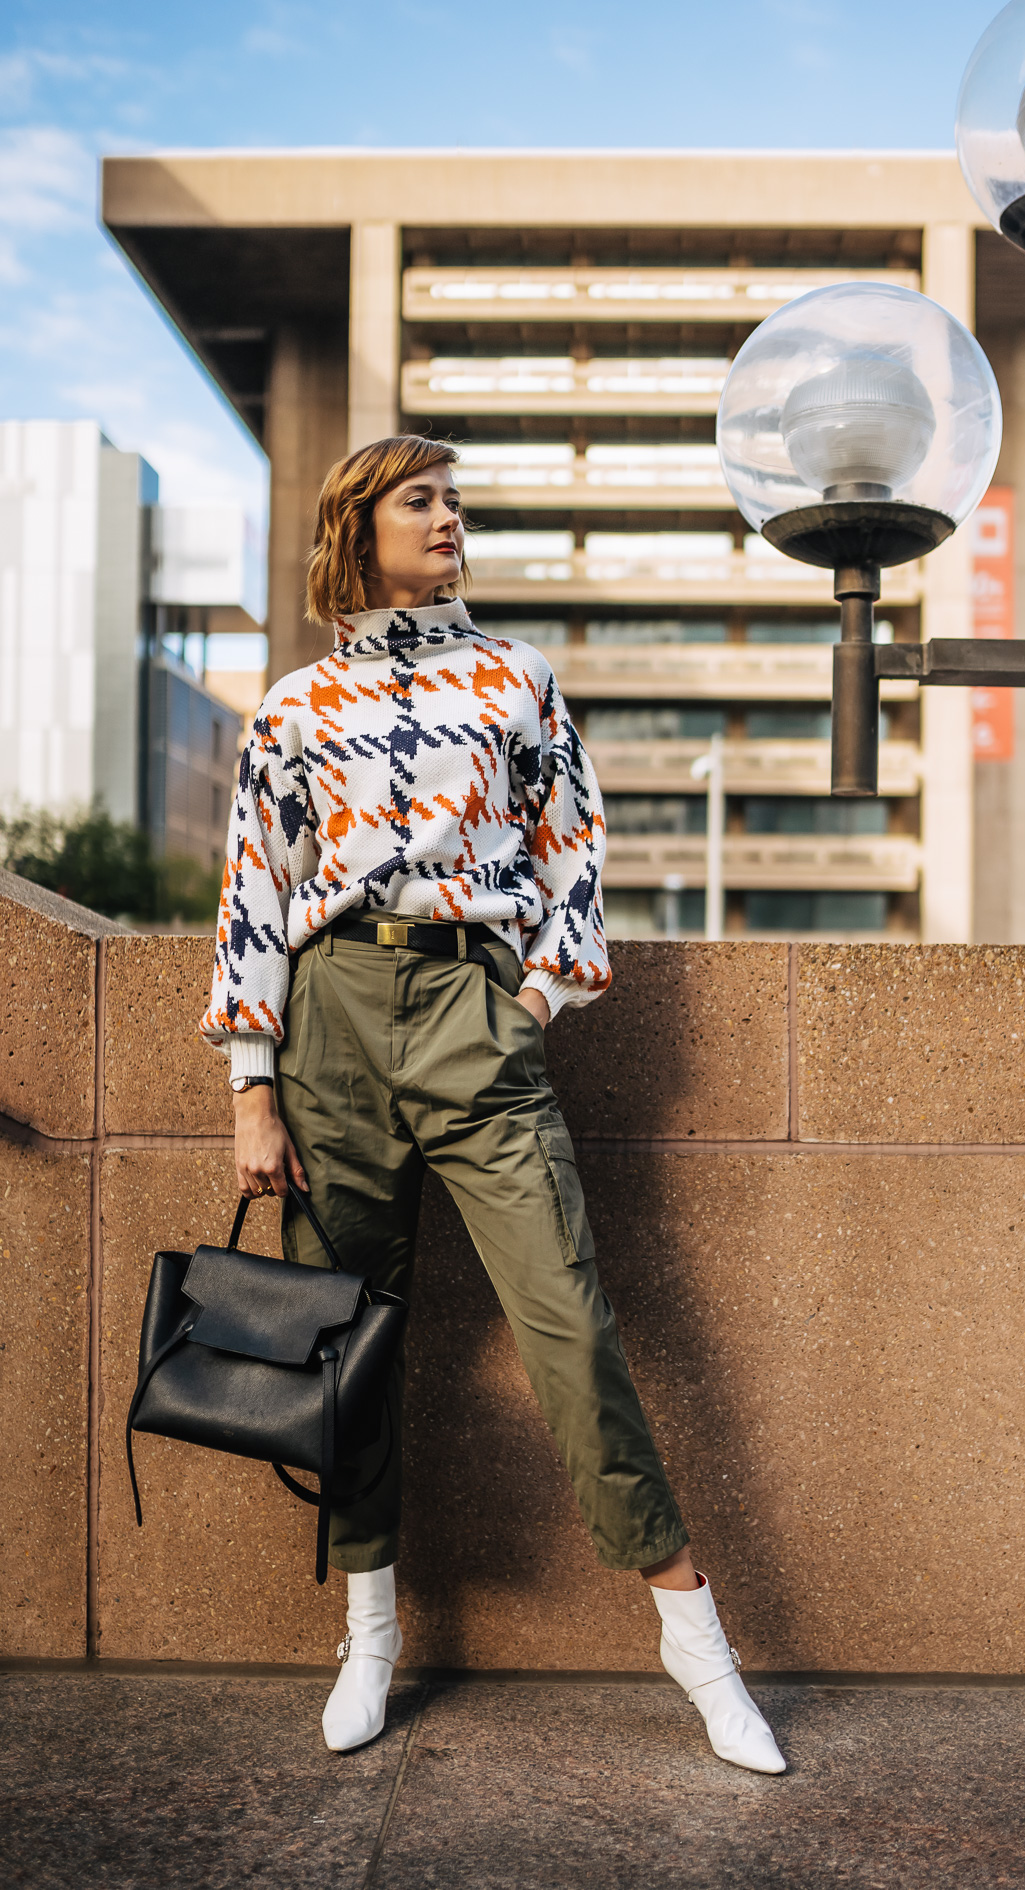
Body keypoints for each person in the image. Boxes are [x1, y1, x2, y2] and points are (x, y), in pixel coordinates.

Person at [199, 435, 784, 1774]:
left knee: (570, 1323)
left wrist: (528, 1005)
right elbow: (253, 898)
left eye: (454, 500)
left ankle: (697, 1644)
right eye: (423, 500)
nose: (450, 517)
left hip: (476, 1014)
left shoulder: (517, 679)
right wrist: (252, 1085)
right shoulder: (291, 706)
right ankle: (369, 1633)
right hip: (330, 1021)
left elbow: (576, 856)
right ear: (361, 527)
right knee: (345, 1345)